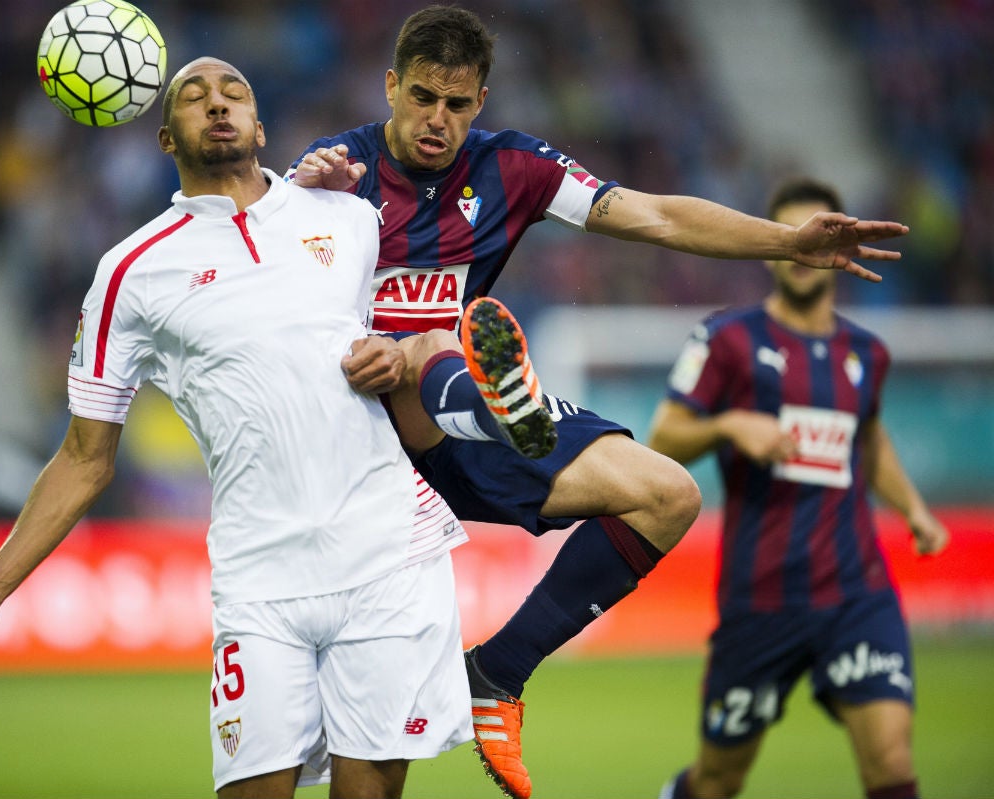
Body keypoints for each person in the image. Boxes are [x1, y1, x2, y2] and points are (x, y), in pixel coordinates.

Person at [287, 7, 914, 798]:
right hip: (350, 438)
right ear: (390, 87)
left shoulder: (513, 168)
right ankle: (495, 403)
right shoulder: (335, 170)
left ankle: (499, 670)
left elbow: (653, 213)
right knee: (433, 346)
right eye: (420, 98)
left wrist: (786, 241)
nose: (436, 120)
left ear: (481, 99)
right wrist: (299, 205)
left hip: (451, 437)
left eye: (456, 103)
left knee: (668, 495)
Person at [0, 57, 475, 799]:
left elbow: (425, 329)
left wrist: (399, 355)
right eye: (193, 97)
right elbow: (85, 458)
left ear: (260, 126)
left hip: (386, 557)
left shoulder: (348, 217)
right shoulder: (131, 272)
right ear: (165, 139)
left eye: (234, 91)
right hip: (259, 577)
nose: (217, 103)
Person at [647, 178, 950, 799]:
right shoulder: (727, 339)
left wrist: (914, 509)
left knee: (891, 767)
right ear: (772, 248)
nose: (809, 246)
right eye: (794, 234)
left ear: (845, 243)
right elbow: (664, 435)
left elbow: (867, 439)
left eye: (824, 231)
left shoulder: (868, 352)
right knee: (718, 782)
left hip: (855, 591)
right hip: (760, 600)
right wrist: (731, 424)